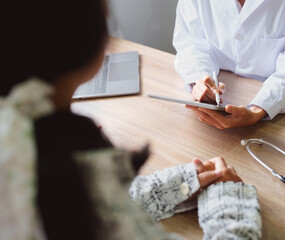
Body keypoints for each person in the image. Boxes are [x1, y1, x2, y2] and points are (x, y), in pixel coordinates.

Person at [0, 0, 261, 240]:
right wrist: (230, 201)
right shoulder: (74, 173)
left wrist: (175, 186)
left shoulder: (21, 143)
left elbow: (74, 201)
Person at [173, 0, 285, 129]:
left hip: (278, 111)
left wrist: (259, 109)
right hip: (221, 95)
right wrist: (201, 80)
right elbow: (191, 44)